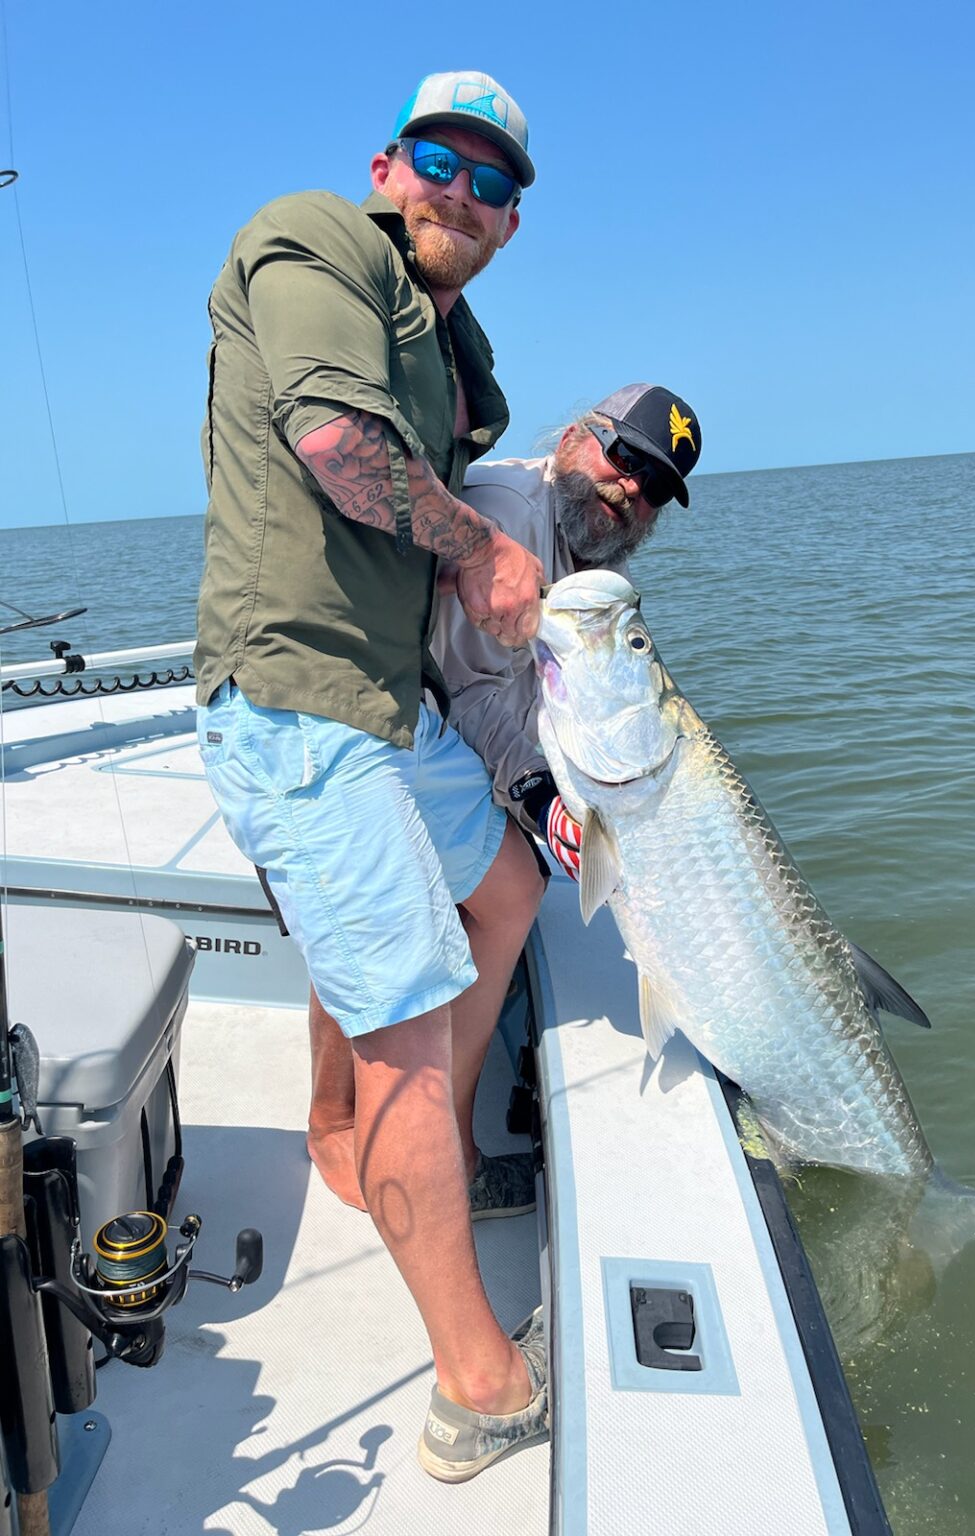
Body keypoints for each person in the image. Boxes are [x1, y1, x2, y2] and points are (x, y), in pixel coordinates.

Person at [193, 70, 551, 1482]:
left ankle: (387, 1143)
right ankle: (481, 1390)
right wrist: (486, 548)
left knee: (509, 888)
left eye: (494, 183)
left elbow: (453, 465)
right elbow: (341, 448)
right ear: (386, 165)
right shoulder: (313, 237)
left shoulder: (457, 341)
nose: (463, 192)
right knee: (402, 1014)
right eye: (439, 162)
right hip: (296, 703)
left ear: (513, 221)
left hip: (388, 705)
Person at [432, 383, 703, 874]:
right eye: (625, 457)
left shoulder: (608, 570)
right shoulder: (509, 519)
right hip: (419, 736)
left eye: (657, 487)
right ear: (571, 441)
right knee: (519, 892)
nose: (633, 487)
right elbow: (459, 694)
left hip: (483, 756)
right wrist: (537, 795)